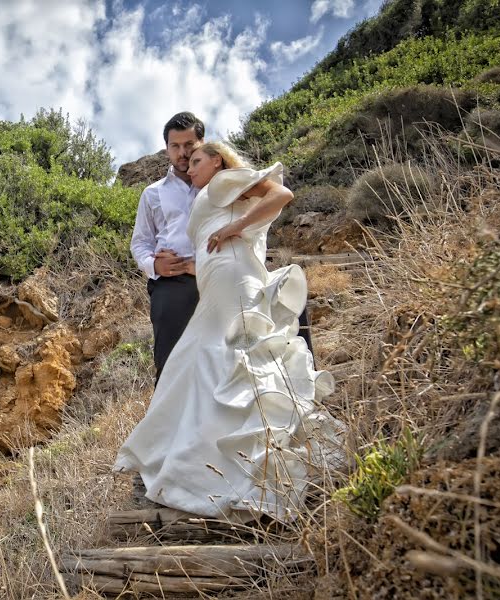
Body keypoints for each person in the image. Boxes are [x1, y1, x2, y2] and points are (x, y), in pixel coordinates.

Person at [115, 141, 342, 521]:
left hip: (235, 282)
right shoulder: (209, 192)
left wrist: (236, 227)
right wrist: (186, 267)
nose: (191, 167)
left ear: (217, 159)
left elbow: (281, 194)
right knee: (201, 359)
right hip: (217, 285)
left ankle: (250, 459)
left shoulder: (225, 180)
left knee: (231, 353)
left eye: (198, 160)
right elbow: (209, 246)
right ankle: (213, 459)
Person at [130, 112, 204, 381]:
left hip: (215, 277)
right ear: (167, 150)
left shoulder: (217, 186)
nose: (182, 153)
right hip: (171, 284)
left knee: (220, 355)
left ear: (202, 143)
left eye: (189, 145)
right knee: (170, 361)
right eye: (176, 146)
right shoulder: (152, 192)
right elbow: (140, 242)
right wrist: (154, 265)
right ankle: (168, 423)